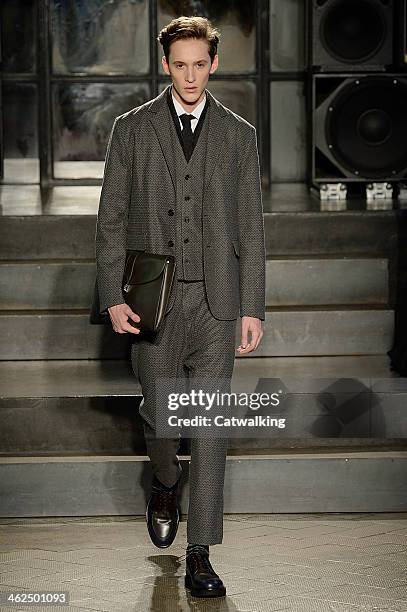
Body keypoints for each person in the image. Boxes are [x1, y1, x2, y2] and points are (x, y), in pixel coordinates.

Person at [94, 15, 266, 599]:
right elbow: (111, 218)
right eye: (179, 64)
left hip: (218, 302)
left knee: (210, 430)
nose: (190, 75)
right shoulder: (132, 130)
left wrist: (254, 307)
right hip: (154, 304)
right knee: (162, 418)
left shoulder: (239, 136)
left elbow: (251, 228)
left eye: (200, 64)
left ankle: (201, 553)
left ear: (213, 64)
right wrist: (112, 297)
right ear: (165, 65)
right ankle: (164, 480)